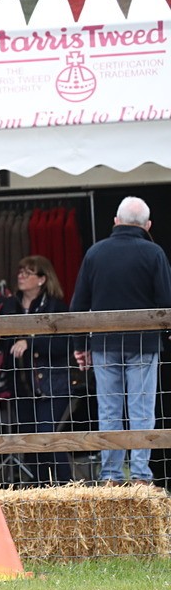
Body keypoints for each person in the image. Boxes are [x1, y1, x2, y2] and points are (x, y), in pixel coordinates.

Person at [70, 197, 171, 486]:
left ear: (116, 221)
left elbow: (79, 305)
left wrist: (80, 345)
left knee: (109, 410)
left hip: (104, 343)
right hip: (143, 343)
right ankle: (140, 476)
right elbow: (167, 301)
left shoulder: (95, 253)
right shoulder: (154, 253)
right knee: (142, 409)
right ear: (148, 225)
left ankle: (110, 476)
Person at [0, 256, 76, 485]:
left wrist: (31, 342)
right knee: (29, 439)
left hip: (52, 384)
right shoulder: (9, 306)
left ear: (41, 279)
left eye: (28, 272)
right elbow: (1, 344)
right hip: (21, 385)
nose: (21, 276)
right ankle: (41, 489)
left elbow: (64, 345)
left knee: (47, 433)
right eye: (20, 271)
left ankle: (68, 486)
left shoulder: (56, 307)